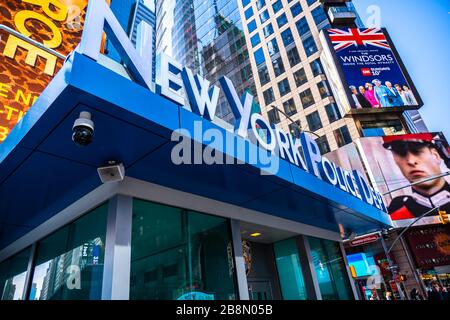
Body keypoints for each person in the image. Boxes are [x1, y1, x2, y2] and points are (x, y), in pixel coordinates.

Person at [382, 133, 450, 219]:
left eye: (417, 151)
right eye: (401, 153)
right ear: (395, 161)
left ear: (436, 156)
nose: (411, 161)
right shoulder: (395, 210)